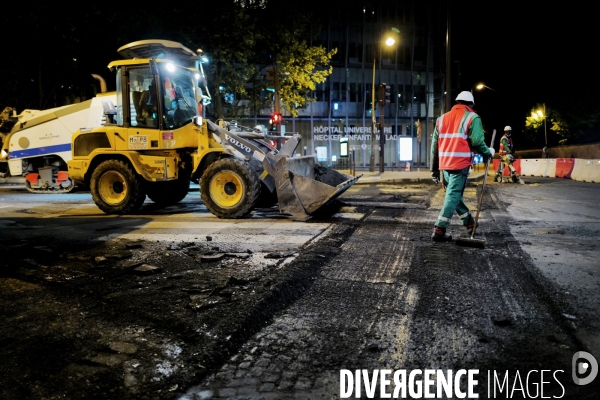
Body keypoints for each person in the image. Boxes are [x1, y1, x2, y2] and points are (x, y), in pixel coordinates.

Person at [429, 91, 495, 242]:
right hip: (460, 164)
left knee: (453, 195)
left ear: (457, 102)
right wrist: (488, 152)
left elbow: (434, 146)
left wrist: (433, 169)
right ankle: (439, 228)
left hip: (444, 164)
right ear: (470, 105)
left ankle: (469, 222)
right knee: (453, 195)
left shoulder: (441, 119)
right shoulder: (472, 117)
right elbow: (477, 141)